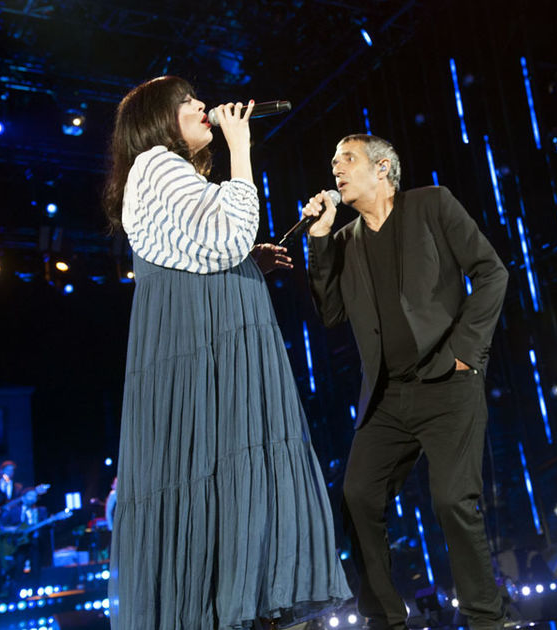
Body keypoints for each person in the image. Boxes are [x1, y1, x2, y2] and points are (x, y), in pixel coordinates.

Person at [101, 76, 350, 630]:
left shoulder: (168, 172)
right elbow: (232, 228)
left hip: (211, 331)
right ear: (157, 119)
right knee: (224, 462)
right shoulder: (159, 164)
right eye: (186, 102)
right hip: (203, 344)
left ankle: (236, 601)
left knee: (224, 471)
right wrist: (242, 147)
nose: (201, 106)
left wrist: (243, 265)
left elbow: (208, 249)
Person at [301, 134, 509, 630]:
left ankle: (484, 620)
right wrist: (319, 240)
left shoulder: (432, 205)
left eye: (347, 159)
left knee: (451, 501)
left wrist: (465, 354)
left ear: (383, 170)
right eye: (333, 162)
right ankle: (384, 620)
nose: (336, 169)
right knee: (358, 498)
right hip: (387, 396)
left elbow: (491, 272)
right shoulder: (346, 241)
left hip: (446, 382)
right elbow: (330, 312)